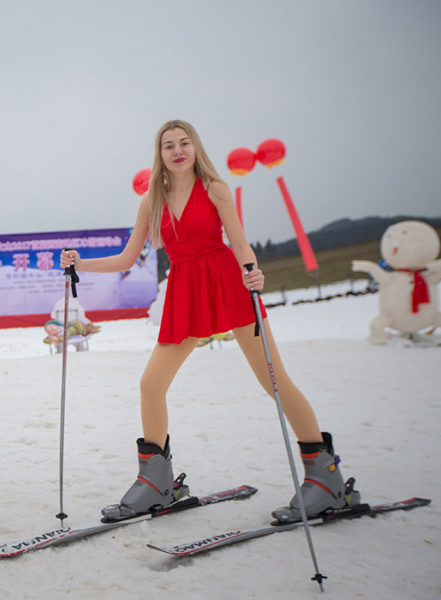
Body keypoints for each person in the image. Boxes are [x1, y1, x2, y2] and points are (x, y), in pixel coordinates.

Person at [61, 120, 352, 522]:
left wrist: (252, 270)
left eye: (185, 143)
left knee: (275, 382)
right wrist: (81, 265)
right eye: (169, 146)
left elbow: (239, 242)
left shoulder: (215, 189)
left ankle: (325, 479)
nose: (177, 151)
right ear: (159, 154)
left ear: (195, 148)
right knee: (151, 383)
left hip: (227, 282)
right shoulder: (152, 201)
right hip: (186, 291)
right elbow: (128, 258)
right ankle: (156, 483)